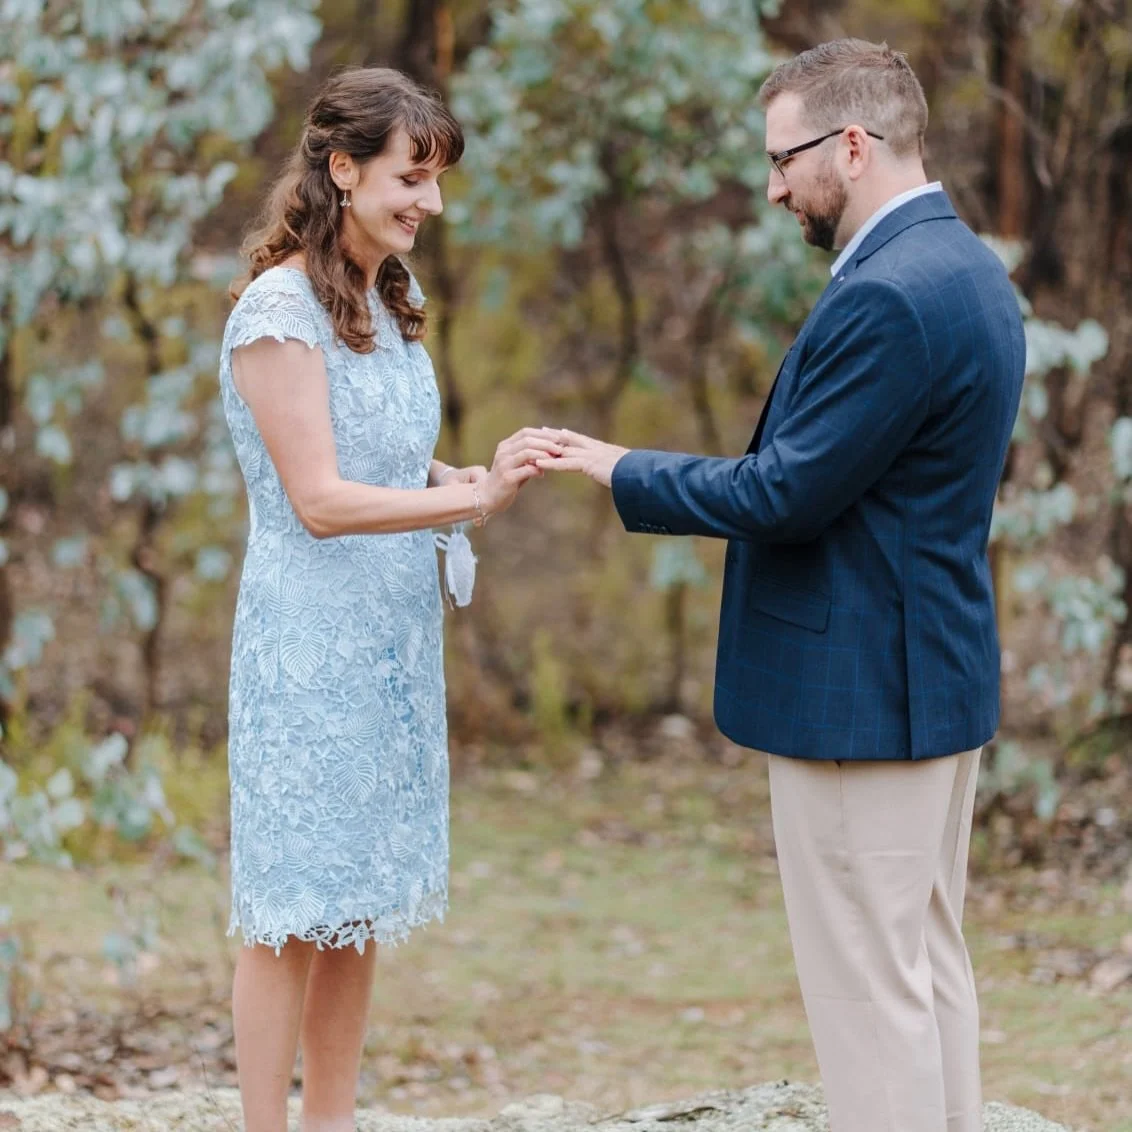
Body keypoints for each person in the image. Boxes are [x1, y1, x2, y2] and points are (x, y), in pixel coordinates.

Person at [537, 38, 1025, 1132]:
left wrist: (616, 466)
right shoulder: (968, 269)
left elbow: (784, 494)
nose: (771, 187)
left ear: (851, 146)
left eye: (782, 158)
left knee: (867, 992)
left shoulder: (891, 295)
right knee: (923, 966)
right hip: (926, 675)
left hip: (859, 696)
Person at [217, 68, 560, 1132]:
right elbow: (316, 499)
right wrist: (467, 504)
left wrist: (465, 477)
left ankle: (334, 1122)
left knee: (355, 904)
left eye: (438, 181)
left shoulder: (381, 297)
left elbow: (379, 461)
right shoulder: (277, 311)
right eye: (414, 178)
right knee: (288, 911)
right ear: (340, 168)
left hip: (389, 643)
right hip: (308, 646)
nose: (431, 205)